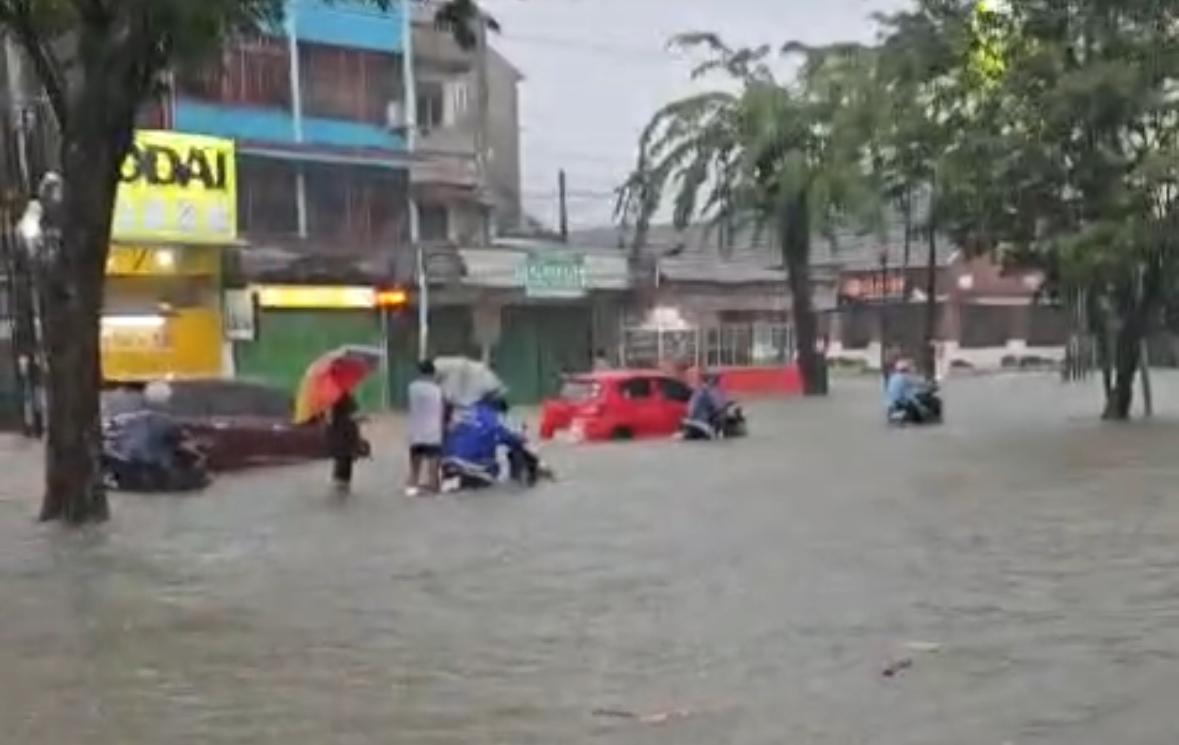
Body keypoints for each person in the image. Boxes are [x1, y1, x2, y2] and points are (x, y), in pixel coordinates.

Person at [441, 393, 532, 490]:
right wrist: (520, 440)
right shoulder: (494, 418)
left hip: (447, 459)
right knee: (490, 479)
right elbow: (507, 437)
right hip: (473, 464)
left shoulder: (466, 411)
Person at [406, 359, 445, 497]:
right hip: (433, 431)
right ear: (433, 373)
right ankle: (433, 486)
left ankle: (412, 486)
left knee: (415, 464)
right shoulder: (438, 389)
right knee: (433, 461)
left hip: (416, 431)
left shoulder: (412, 387)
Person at [327, 393, 361, 494]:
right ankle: (342, 486)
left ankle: (340, 485)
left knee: (342, 461)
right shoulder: (343, 397)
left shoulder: (333, 401)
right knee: (344, 462)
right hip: (345, 438)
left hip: (341, 439)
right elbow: (354, 409)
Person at [683, 372, 727, 439]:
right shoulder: (707, 393)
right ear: (710, 380)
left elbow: (690, 410)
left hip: (691, 422)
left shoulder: (697, 392)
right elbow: (718, 408)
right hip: (702, 424)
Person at [884, 358, 927, 422]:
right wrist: (924, 381)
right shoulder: (905, 376)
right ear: (906, 368)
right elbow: (919, 382)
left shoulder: (893, 377)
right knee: (920, 410)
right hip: (903, 401)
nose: (912, 368)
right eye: (910, 367)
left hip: (892, 401)